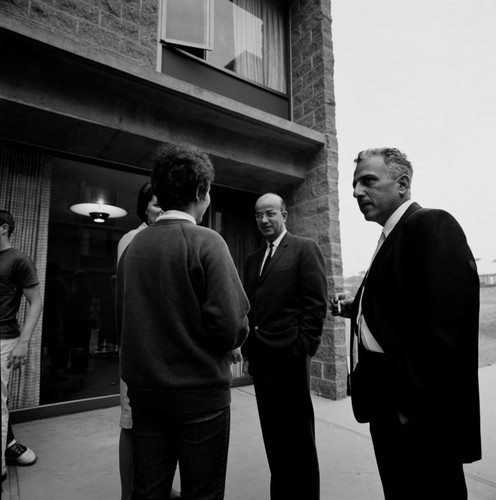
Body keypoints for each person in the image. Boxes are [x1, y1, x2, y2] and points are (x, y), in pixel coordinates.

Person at [331, 148, 481, 499]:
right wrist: (358, 307)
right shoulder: (390, 236)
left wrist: (406, 406)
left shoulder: (430, 224)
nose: (356, 192)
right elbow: (405, 305)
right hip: (385, 401)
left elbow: (447, 329)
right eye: (354, 184)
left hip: (416, 413)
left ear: (402, 184)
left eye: (368, 180)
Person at [116, 145, 249, 500]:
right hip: (201, 400)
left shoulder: (133, 247)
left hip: (145, 395)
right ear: (203, 193)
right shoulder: (207, 242)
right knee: (201, 494)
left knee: (148, 491)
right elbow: (232, 327)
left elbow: (122, 320)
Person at [241, 193, 328, 500]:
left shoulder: (304, 249)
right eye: (258, 216)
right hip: (262, 362)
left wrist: (302, 346)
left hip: (290, 359)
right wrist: (250, 351)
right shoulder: (253, 259)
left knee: (299, 439)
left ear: (284, 215)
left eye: (270, 214)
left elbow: (316, 304)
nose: (264, 220)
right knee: (274, 437)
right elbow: (251, 307)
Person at [116, 182, 181, 500]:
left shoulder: (159, 237)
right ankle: (128, 493)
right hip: (139, 347)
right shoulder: (133, 239)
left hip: (160, 348)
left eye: (165, 205)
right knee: (130, 423)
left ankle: (161, 486)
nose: (161, 210)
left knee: (157, 426)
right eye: (156, 205)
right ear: (144, 207)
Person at [0, 210, 42, 482]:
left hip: (4, 338)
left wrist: (23, 343)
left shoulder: (19, 260)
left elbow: (36, 302)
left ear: (3, 228)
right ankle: (10, 444)